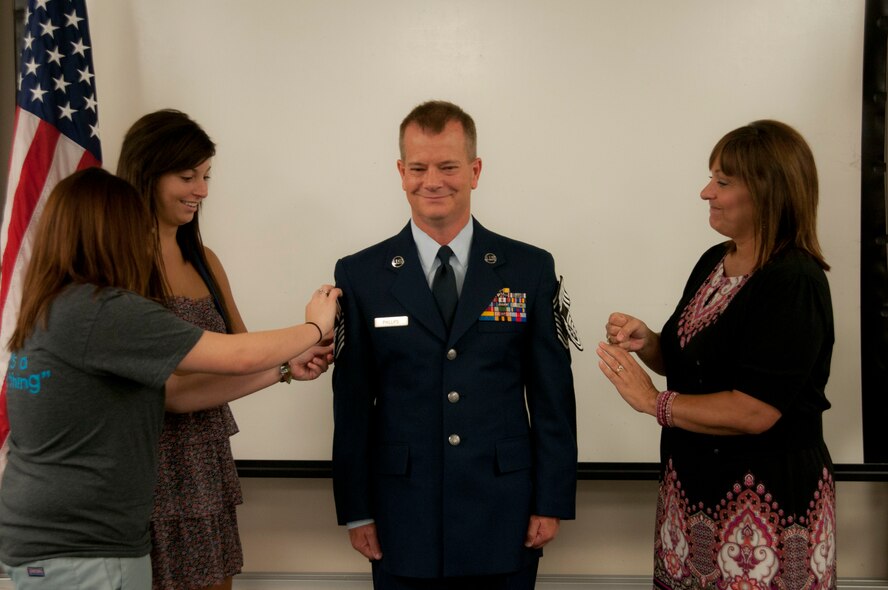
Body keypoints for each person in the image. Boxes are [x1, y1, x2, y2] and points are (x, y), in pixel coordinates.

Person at [0, 167, 341, 590]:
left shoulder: (55, 308)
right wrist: (314, 327)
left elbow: (175, 395)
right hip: (85, 551)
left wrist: (284, 368)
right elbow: (231, 354)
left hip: (50, 543)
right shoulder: (105, 312)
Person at [332, 100, 579, 589]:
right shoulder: (360, 275)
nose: (433, 181)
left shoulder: (528, 270)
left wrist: (550, 501)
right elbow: (353, 404)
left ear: (475, 170)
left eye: (448, 166)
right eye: (418, 168)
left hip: (503, 509)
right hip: (402, 512)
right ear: (401, 172)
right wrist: (356, 510)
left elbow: (553, 397)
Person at [597, 120, 836, 588]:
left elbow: (755, 409)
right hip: (692, 495)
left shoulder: (795, 281)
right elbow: (696, 367)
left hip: (763, 507)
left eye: (723, 181)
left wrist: (652, 402)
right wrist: (650, 342)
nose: (707, 192)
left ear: (770, 191)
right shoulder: (714, 261)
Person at [115, 109, 333, 590]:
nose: (202, 191)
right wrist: (309, 330)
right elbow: (171, 392)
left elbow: (240, 356)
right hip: (147, 473)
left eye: (207, 176)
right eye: (187, 176)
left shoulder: (204, 259)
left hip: (205, 467)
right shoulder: (119, 265)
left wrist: (287, 366)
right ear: (147, 172)